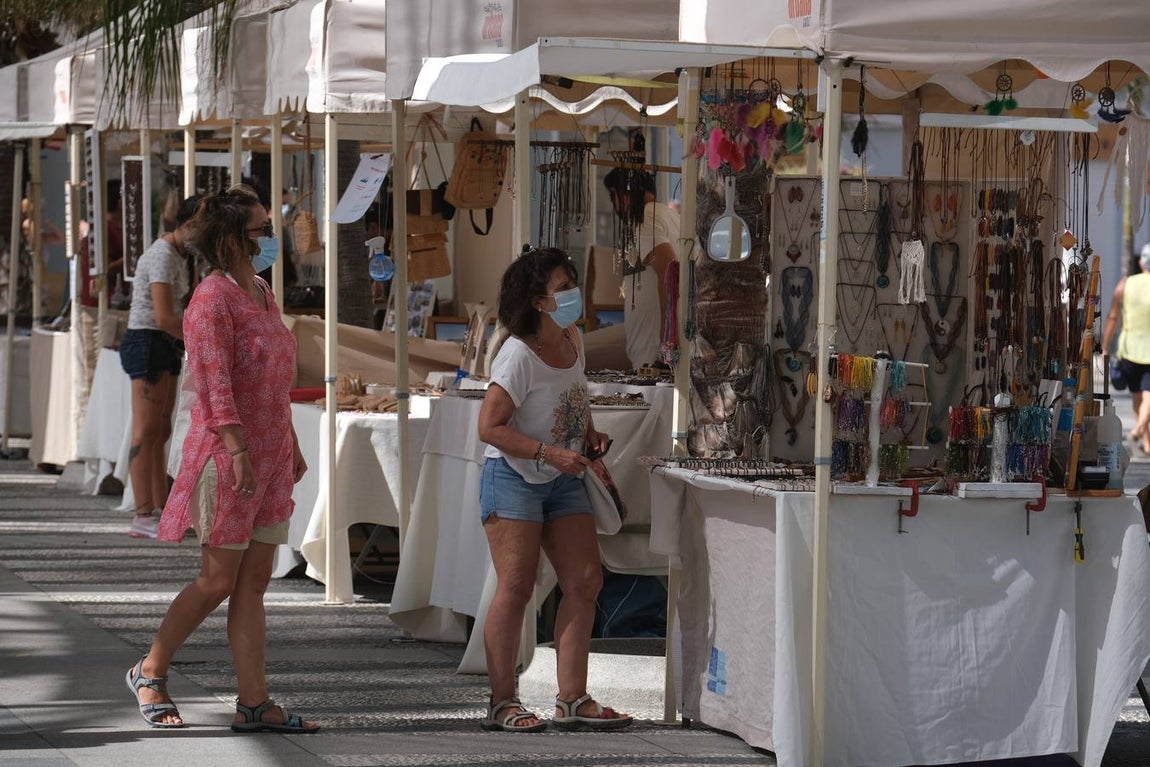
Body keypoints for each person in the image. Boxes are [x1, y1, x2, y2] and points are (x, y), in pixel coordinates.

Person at [125, 186, 317, 733]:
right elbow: (214, 385)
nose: (270, 238)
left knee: (254, 583)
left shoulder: (261, 289)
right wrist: (237, 450)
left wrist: (290, 439)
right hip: (229, 455)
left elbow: (274, 378)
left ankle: (254, 702)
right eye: (261, 230)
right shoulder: (211, 298)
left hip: (270, 452)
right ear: (232, 237)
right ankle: (150, 669)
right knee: (217, 580)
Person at [475, 246, 633, 733]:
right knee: (517, 587)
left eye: (572, 285)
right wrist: (548, 453)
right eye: (563, 288)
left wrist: (589, 433)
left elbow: (572, 395)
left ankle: (572, 697)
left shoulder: (572, 338)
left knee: (585, 580)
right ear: (537, 302)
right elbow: (489, 427)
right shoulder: (518, 355)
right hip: (514, 477)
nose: (573, 295)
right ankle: (503, 701)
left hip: (563, 477)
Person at [120, 194, 200, 539]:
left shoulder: (182, 255)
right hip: (148, 340)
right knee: (146, 430)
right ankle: (142, 514)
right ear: (188, 225)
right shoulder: (163, 254)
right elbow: (165, 316)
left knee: (161, 430)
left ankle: (161, 508)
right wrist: (202, 341)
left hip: (164, 343)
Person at [602, 168, 679, 369]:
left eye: (613, 196)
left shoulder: (645, 218)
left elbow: (670, 274)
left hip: (654, 358)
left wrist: (666, 343)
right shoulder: (671, 216)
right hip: (654, 354)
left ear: (621, 194)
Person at [1102, 243, 1150, 454]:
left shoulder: (1125, 284)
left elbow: (1113, 316)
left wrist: (1105, 345)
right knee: (1147, 396)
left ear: (1141, 262)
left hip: (1129, 348)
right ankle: (1141, 432)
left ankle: (1143, 438)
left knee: (1138, 396)